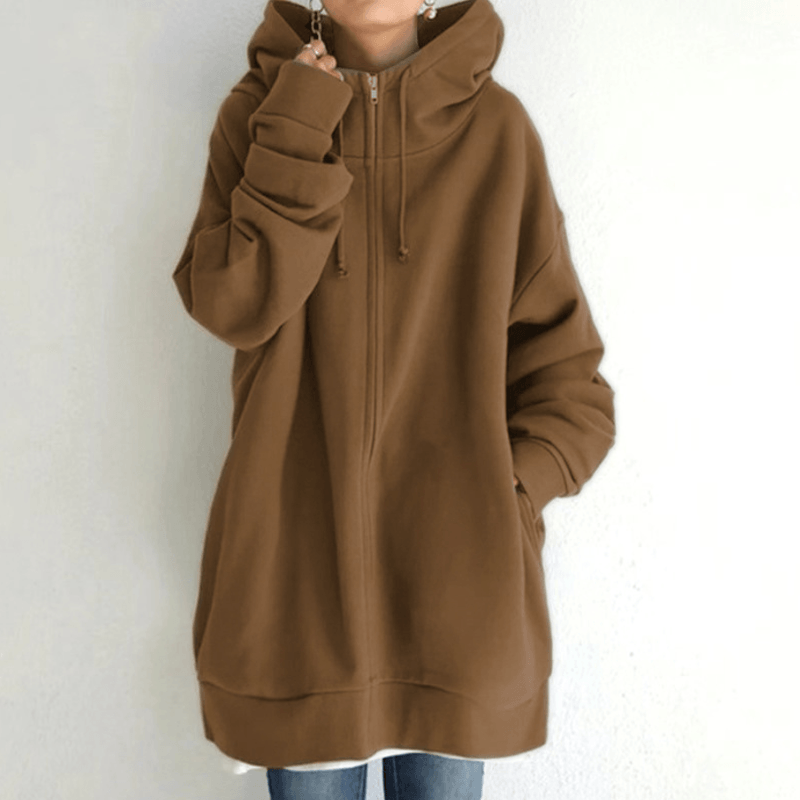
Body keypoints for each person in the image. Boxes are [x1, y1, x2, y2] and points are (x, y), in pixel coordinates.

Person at [170, 0, 616, 797]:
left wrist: (507, 496)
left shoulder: (498, 133)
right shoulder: (261, 115)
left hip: (460, 607)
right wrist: (299, 124)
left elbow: (567, 374)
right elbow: (232, 305)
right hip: (294, 598)